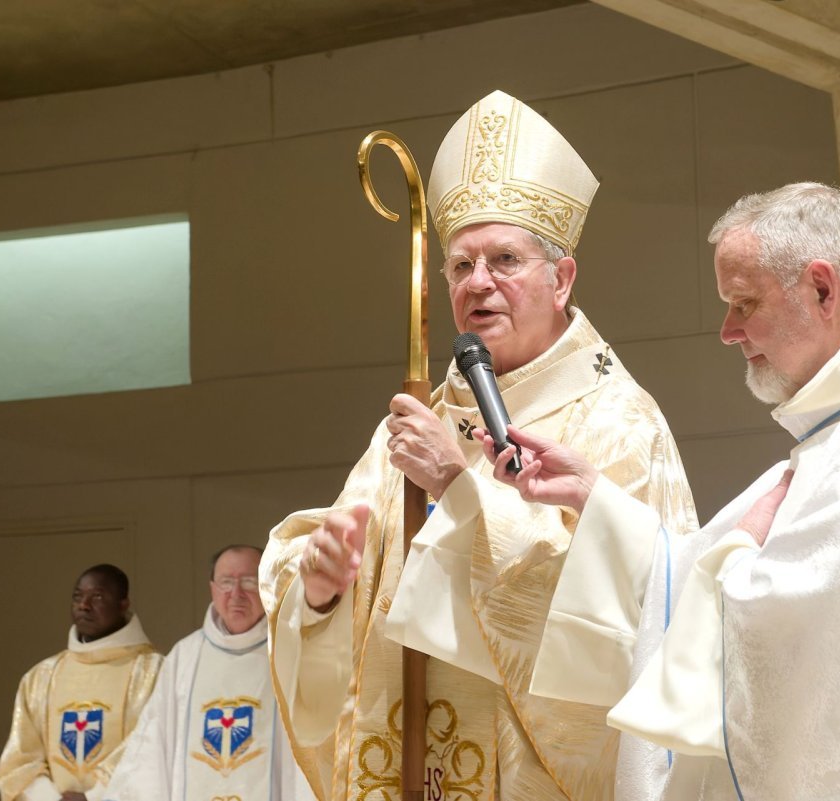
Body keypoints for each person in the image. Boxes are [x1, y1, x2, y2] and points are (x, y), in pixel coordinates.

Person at [478, 182, 840, 800]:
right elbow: (700, 572)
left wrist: (737, 554)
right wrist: (591, 497)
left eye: (744, 303)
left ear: (822, 289)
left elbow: (792, 623)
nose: (727, 331)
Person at [260, 89, 698, 801]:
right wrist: (319, 593)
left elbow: (632, 622)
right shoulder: (422, 419)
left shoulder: (619, 421)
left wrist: (456, 490)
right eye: (461, 266)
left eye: (504, 259)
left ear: (562, 278)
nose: (479, 283)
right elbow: (342, 571)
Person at [104, 545, 313, 801]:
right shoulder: (184, 657)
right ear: (212, 589)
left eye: (249, 582)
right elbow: (151, 750)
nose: (236, 594)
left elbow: (313, 750)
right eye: (226, 582)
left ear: (268, 585)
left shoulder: (292, 652)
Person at [0, 564, 163, 801]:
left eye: (97, 596)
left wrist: (94, 796)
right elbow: (18, 761)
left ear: (123, 604)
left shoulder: (154, 672)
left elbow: (152, 746)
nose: (84, 605)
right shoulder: (41, 677)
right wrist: (50, 798)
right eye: (77, 597)